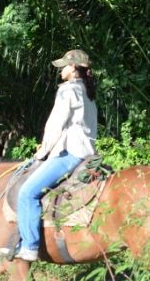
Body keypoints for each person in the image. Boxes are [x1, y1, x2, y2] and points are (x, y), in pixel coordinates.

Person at [15, 49, 98, 262]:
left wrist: (41, 153)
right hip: (88, 154)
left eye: (64, 66)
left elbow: (55, 125)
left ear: (73, 68)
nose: (61, 69)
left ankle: (29, 246)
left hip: (71, 153)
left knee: (26, 193)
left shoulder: (68, 90)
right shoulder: (87, 93)